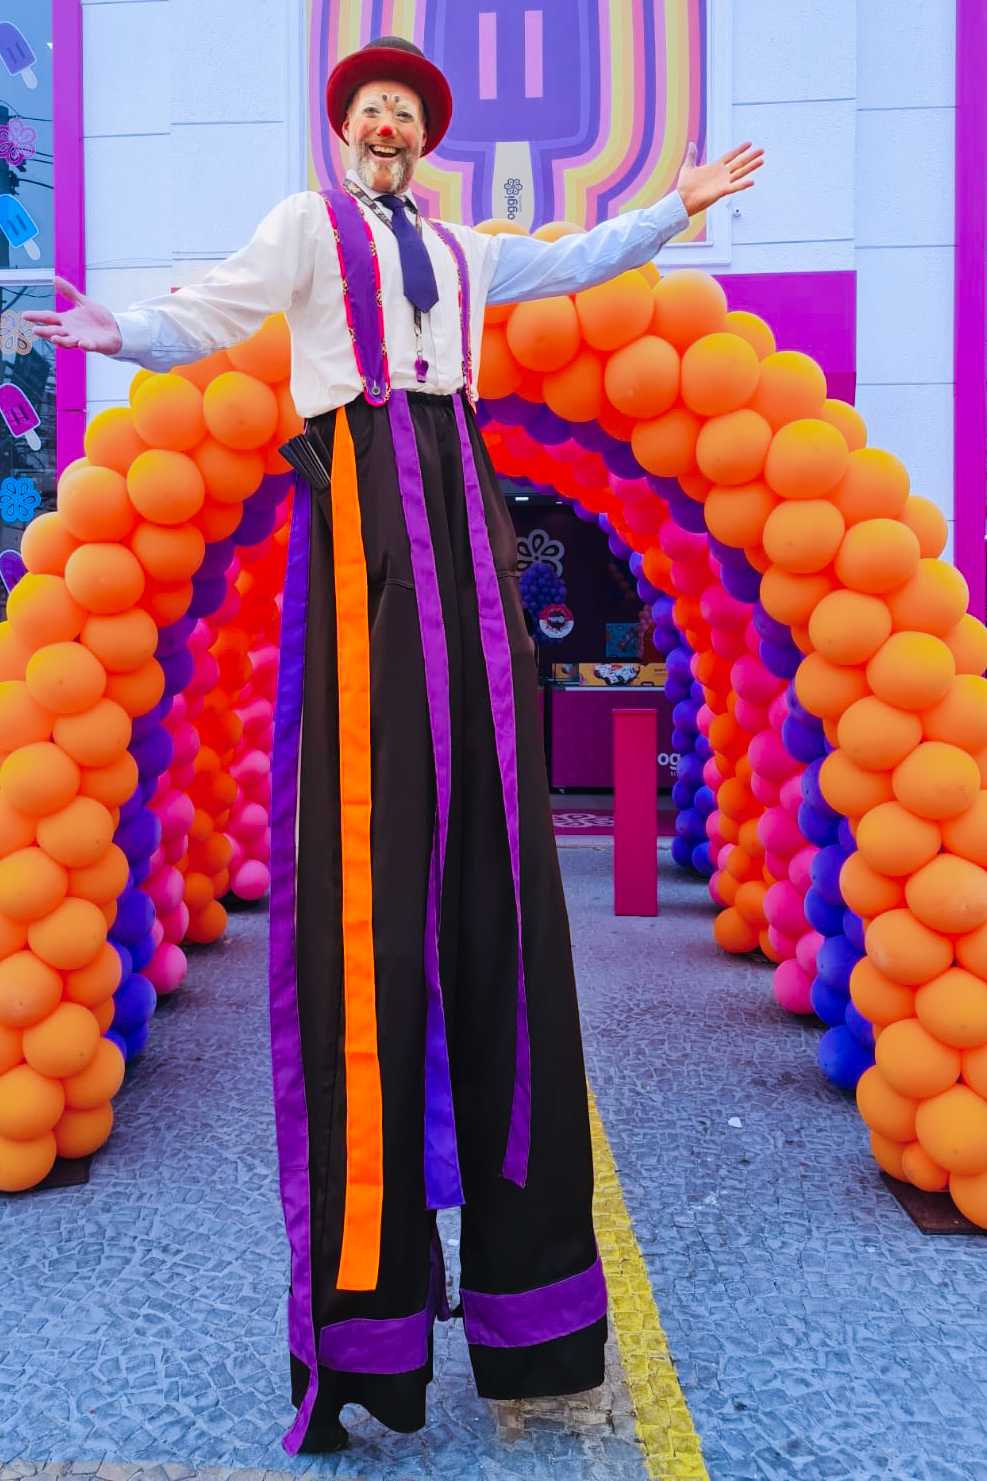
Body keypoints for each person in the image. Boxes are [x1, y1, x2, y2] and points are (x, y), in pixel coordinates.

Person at [25, 36, 761, 1456]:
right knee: (372, 851)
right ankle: (364, 1331)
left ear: (426, 137)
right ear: (344, 130)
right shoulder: (308, 230)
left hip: (458, 494)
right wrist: (117, 333)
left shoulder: (470, 252)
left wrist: (675, 208)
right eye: (370, 107)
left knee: (494, 830)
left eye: (405, 112)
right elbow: (214, 311)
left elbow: (581, 256)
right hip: (362, 499)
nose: (386, 123)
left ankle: (531, 1315)